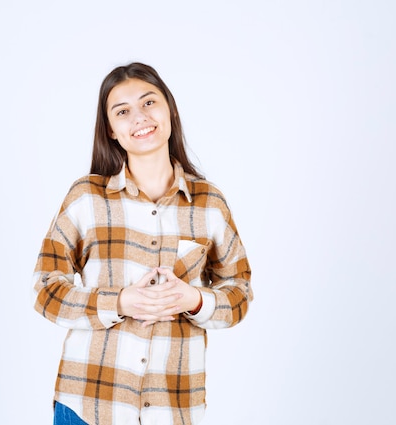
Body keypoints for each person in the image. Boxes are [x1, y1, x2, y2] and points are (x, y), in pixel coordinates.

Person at [33, 62, 253, 425]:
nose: (139, 117)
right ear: (111, 130)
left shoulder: (209, 204)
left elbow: (240, 291)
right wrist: (119, 302)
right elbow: (44, 290)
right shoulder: (86, 197)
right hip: (88, 404)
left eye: (149, 103)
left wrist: (195, 300)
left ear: (170, 109)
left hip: (173, 410)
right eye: (123, 111)